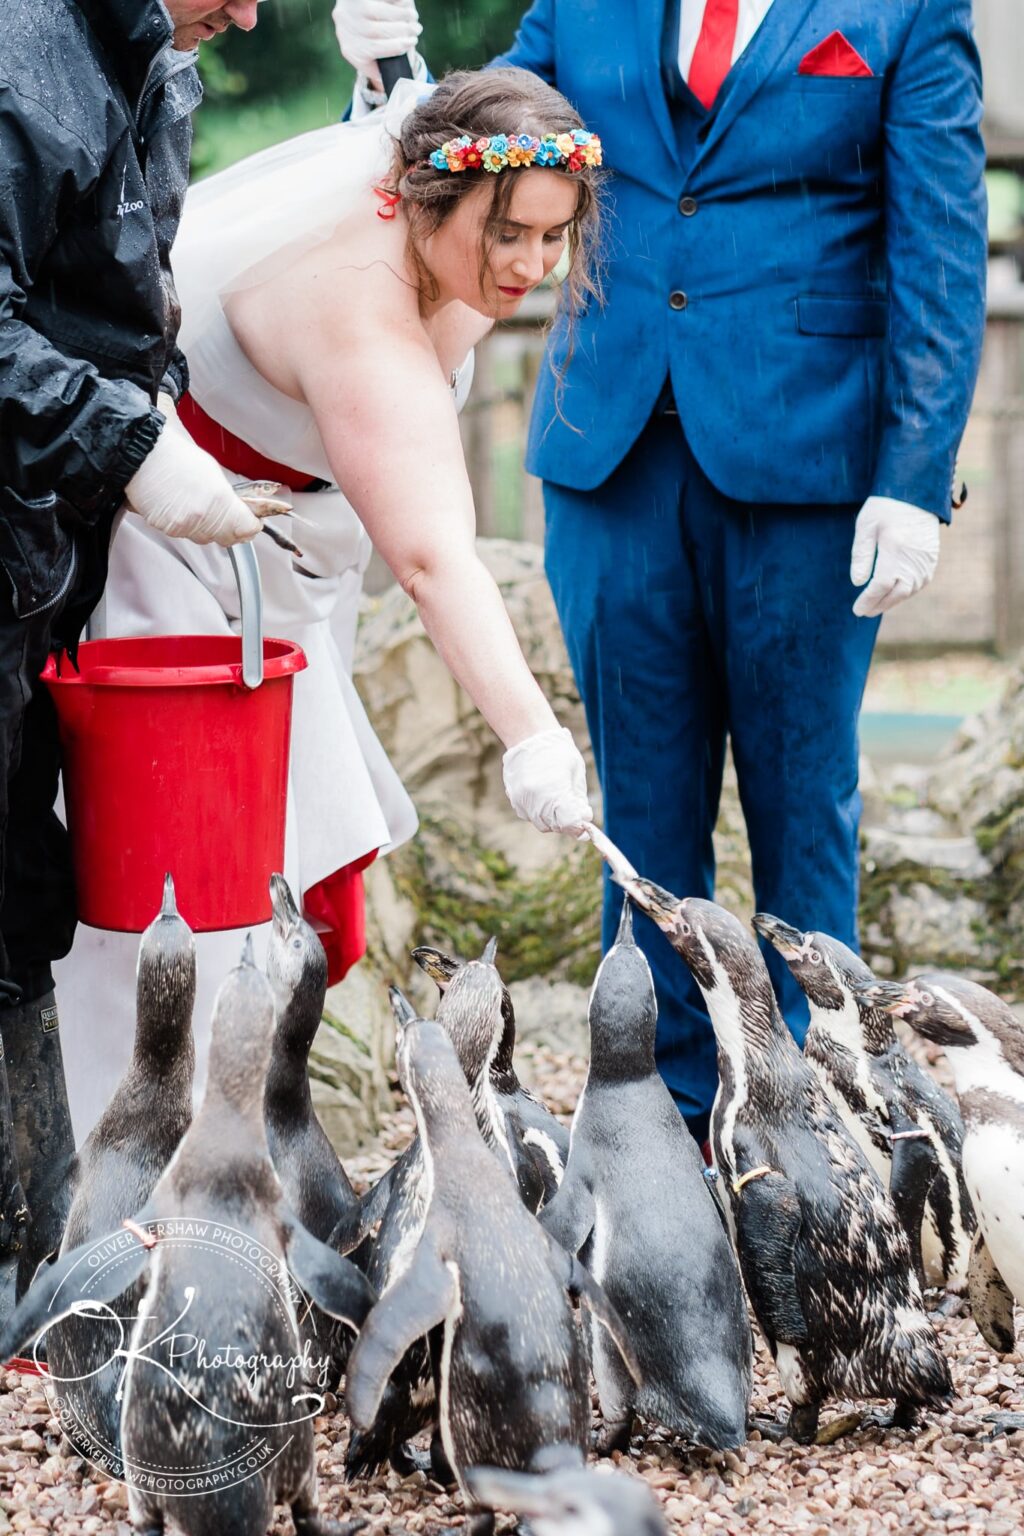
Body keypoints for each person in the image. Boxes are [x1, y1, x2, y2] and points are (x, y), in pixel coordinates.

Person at [334, 0, 989, 1147]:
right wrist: (391, 69)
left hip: (813, 469)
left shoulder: (908, 9)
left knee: (802, 805)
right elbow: (487, 131)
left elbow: (941, 234)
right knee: (637, 804)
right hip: (610, 452)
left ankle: (807, 1121)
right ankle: (652, 1115)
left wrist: (915, 471)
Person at [57, 68, 602, 1138]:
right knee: (179, 898)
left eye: (555, 237)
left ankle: (237, 1142)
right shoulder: (361, 312)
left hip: (279, 589)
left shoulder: (429, 245)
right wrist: (532, 735)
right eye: (510, 234)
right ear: (424, 195)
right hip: (175, 592)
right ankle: (143, 1163)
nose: (532, 266)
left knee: (258, 903)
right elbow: (437, 560)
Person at [0, 0, 273, 1307]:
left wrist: (147, 423)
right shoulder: (20, 46)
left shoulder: (145, 64)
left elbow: (120, 298)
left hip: (40, 550)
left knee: (15, 874)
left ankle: (38, 1253)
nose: (256, 14)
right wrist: (126, 441)